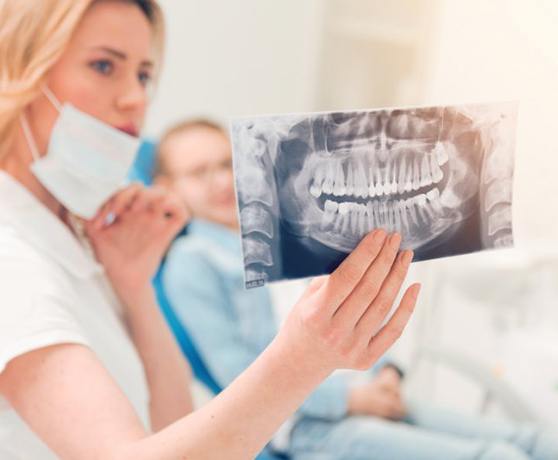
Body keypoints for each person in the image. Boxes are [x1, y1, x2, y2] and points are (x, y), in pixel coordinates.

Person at [0, 1, 421, 458]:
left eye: (143, 75)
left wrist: (134, 287)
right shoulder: (11, 256)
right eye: (104, 66)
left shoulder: (80, 242)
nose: (136, 99)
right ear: (17, 70)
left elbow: (172, 421)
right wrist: (302, 359)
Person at [158, 119, 558, 460]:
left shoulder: (294, 231)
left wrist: (388, 373)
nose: (221, 181)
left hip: (369, 389)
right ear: (168, 186)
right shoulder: (193, 261)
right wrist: (350, 401)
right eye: (198, 172)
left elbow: (368, 305)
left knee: (532, 440)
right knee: (501, 457)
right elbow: (237, 375)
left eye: (228, 164)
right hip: (307, 421)